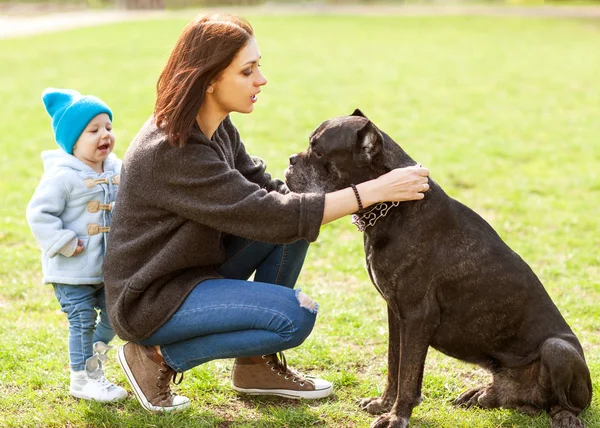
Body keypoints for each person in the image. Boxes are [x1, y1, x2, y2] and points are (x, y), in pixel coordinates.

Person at [103, 14, 430, 413]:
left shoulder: (215, 126)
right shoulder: (173, 151)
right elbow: (270, 214)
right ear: (209, 79)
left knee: (295, 228)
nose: (262, 79)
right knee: (295, 316)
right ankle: (154, 359)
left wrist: (357, 187)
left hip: (193, 269)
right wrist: (371, 192)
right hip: (152, 297)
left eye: (258, 66)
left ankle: (255, 366)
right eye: (247, 70)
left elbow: (275, 196)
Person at [26, 88, 128, 402]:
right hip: (71, 268)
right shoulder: (62, 176)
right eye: (93, 130)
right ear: (73, 140)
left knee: (117, 315)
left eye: (108, 128)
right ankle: (82, 378)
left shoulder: (116, 169)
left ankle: (94, 367)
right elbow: (38, 214)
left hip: (106, 266)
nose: (104, 135)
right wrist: (65, 242)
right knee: (82, 319)